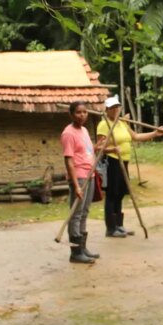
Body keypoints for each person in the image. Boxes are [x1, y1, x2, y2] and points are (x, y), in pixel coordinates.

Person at [97, 95, 163, 238]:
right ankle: (110, 228)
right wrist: (111, 150)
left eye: (117, 107)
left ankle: (119, 225)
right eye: (112, 108)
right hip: (112, 161)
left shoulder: (122, 123)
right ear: (107, 110)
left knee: (121, 193)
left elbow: (136, 137)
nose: (115, 110)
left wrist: (155, 133)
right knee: (112, 194)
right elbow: (99, 147)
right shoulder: (104, 124)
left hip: (124, 162)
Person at [60, 101, 99, 264]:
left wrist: (99, 147)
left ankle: (83, 248)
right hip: (79, 177)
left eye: (84, 112)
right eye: (78, 112)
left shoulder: (84, 130)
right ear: (71, 114)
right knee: (76, 215)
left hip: (89, 175)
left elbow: (88, 151)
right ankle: (75, 252)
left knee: (84, 212)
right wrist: (76, 185)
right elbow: (69, 160)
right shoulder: (68, 133)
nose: (82, 115)